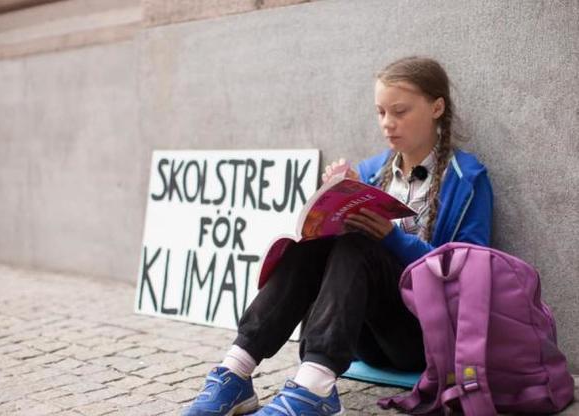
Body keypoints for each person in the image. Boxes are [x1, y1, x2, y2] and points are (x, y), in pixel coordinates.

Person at [181, 56, 493, 415]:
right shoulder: (373, 171)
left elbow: (471, 275)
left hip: (421, 339)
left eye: (400, 111)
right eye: (380, 113)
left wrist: (393, 238)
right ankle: (236, 370)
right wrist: (333, 205)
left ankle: (314, 389)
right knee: (313, 244)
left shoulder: (468, 178)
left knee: (361, 244)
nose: (387, 123)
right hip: (362, 338)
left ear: (436, 107)